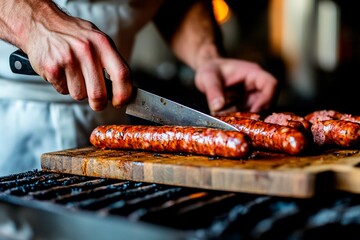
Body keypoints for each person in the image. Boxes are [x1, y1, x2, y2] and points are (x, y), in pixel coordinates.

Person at [0, 0, 278, 176]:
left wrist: (207, 56)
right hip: (11, 115)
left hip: (107, 118)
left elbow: (173, 4)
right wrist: (33, 20)